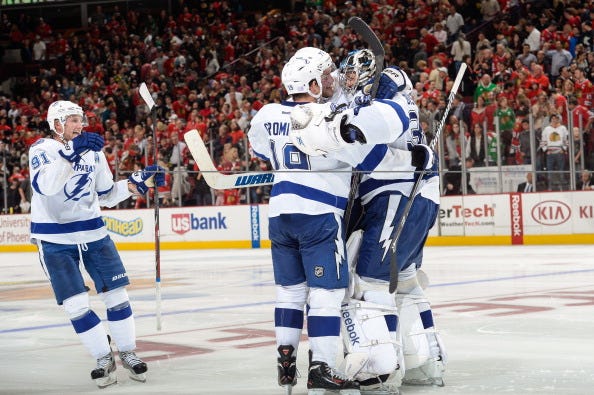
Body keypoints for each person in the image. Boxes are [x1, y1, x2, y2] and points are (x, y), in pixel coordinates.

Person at [29, 100, 165, 388]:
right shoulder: (42, 149)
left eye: (81, 120)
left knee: (117, 297)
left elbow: (105, 194)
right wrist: (71, 152)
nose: (81, 126)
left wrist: (136, 183)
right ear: (57, 124)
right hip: (54, 238)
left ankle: (128, 352)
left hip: (94, 233)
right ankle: (104, 358)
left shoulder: (93, 153)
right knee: (76, 305)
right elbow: (46, 186)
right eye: (73, 121)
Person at [247, 49, 360, 394]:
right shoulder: (330, 114)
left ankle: (286, 361)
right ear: (310, 84)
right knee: (327, 293)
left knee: (290, 291)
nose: (329, 81)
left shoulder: (266, 113)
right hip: (319, 215)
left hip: (280, 212)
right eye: (323, 77)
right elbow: (358, 155)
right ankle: (321, 368)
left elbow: (259, 150)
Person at [541, 113, 569, 190]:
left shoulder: (563, 128)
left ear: (558, 120)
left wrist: (563, 149)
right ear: (550, 120)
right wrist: (546, 150)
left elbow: (566, 140)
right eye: (553, 119)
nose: (554, 120)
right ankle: (550, 187)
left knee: (561, 172)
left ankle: (562, 188)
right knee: (550, 172)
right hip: (550, 154)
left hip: (560, 153)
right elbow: (543, 141)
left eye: (556, 118)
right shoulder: (547, 129)